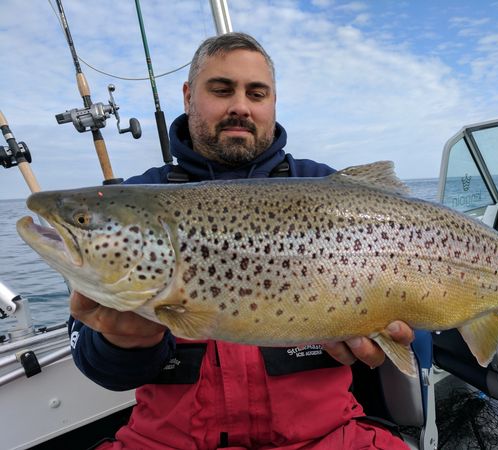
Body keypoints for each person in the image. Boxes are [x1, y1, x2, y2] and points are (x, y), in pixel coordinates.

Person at [69, 32, 415, 450]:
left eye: (256, 93)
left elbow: (410, 328)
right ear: (187, 96)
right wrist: (123, 341)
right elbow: (101, 368)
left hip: (327, 437)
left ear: (272, 102)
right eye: (221, 89)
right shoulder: (136, 201)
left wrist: (399, 325)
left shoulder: (327, 188)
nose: (240, 106)